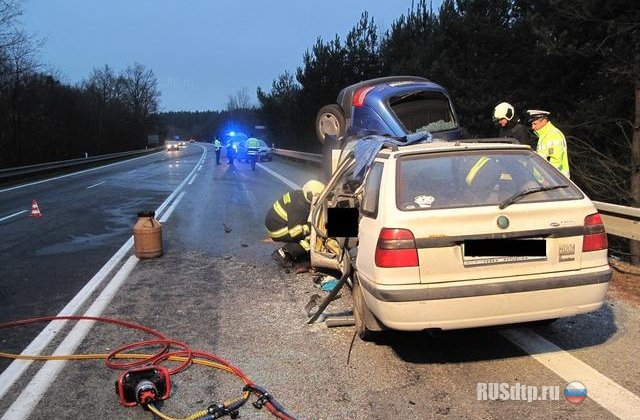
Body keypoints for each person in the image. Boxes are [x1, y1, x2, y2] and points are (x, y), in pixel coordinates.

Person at [265, 179, 325, 267]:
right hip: (278, 230)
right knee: (312, 236)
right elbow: (294, 232)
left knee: (309, 230)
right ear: (309, 195)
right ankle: (283, 253)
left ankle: (299, 252)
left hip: (275, 224)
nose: (318, 200)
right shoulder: (301, 206)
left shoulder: (299, 195)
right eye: (317, 197)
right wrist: (311, 227)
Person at [526, 109, 570, 178]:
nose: (532, 127)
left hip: (555, 181)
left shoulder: (553, 135)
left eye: (535, 124)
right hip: (546, 181)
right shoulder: (544, 135)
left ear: (544, 121)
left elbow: (556, 163)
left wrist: (548, 180)